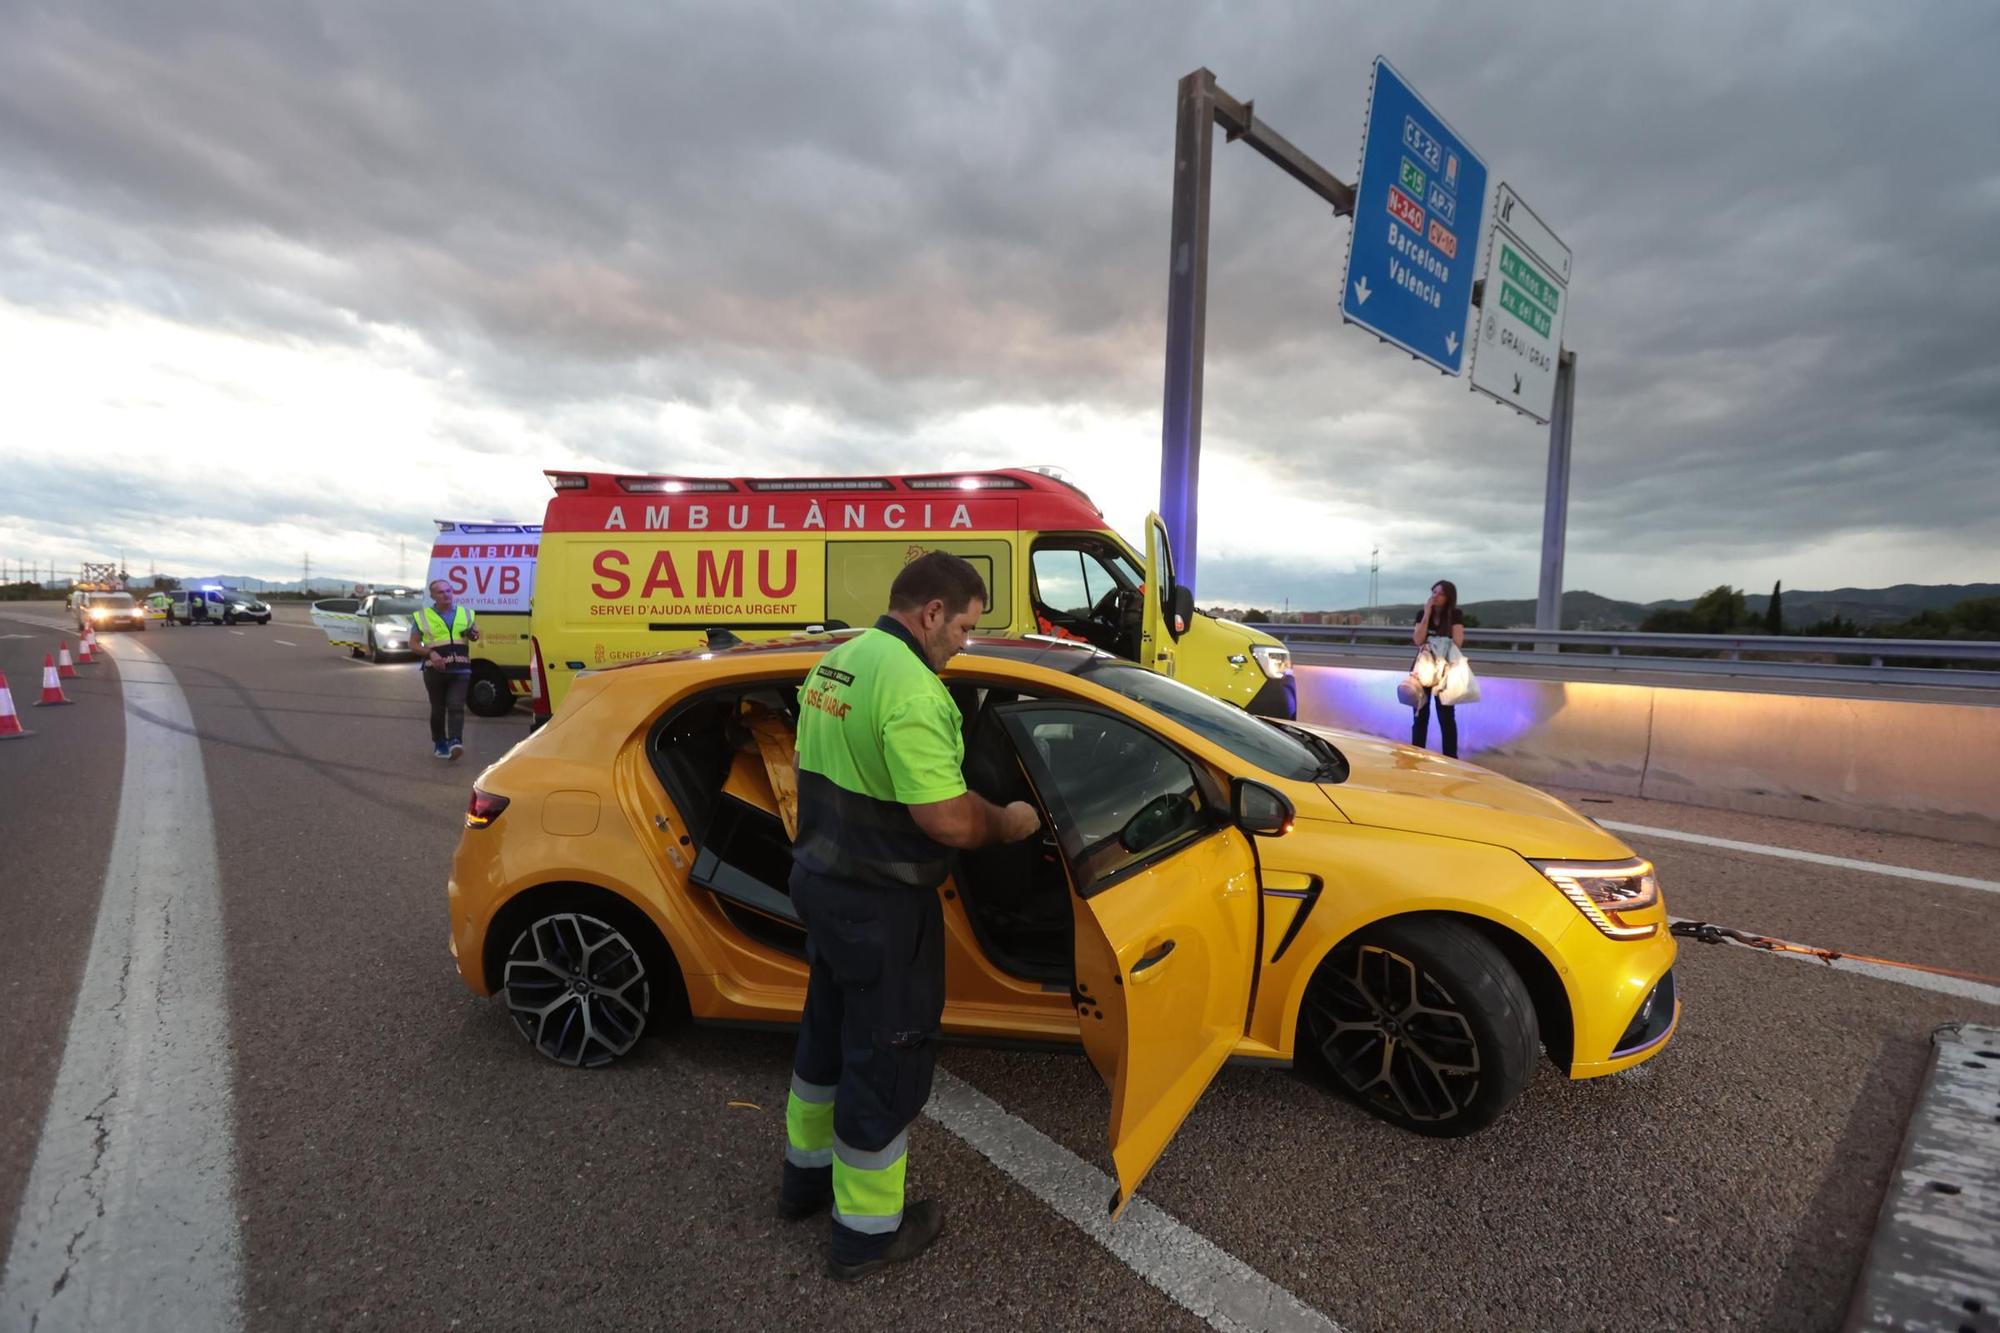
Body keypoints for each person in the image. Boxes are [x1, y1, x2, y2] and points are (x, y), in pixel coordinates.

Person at [778, 551, 1040, 1280]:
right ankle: (865, 1235)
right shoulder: (914, 692)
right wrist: (1012, 822)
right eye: (963, 626)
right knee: (885, 1060)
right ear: (930, 613)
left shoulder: (837, 663)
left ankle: (803, 1184)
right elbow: (949, 820)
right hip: (881, 904)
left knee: (824, 1044)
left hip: (822, 885)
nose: (964, 642)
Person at [411, 579, 479, 760]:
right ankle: (440, 742)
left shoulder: (467, 613)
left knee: (456, 706)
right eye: (441, 592)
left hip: (461, 668)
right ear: (432, 596)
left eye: (449, 591)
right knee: (438, 709)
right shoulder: (422, 617)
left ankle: (455, 741)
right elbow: (413, 644)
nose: (446, 595)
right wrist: (431, 653)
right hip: (435, 671)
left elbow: (474, 635)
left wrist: (473, 634)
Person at [1412, 579, 1465, 758]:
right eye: (1433, 592)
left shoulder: (1455, 615)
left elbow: (1458, 642)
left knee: (1446, 717)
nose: (1435, 596)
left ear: (1449, 597)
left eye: (1440, 593)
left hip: (1445, 672)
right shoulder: (1422, 614)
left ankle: (1450, 758)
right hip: (1423, 669)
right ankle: (1416, 755)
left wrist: (1436, 643)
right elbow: (1418, 640)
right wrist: (1426, 614)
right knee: (1420, 715)